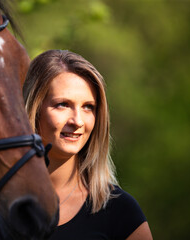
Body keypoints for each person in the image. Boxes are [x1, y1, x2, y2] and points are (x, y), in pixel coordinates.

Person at [23, 49, 153, 240]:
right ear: (32, 109)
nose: (77, 121)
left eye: (88, 107)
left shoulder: (119, 211)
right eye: (63, 104)